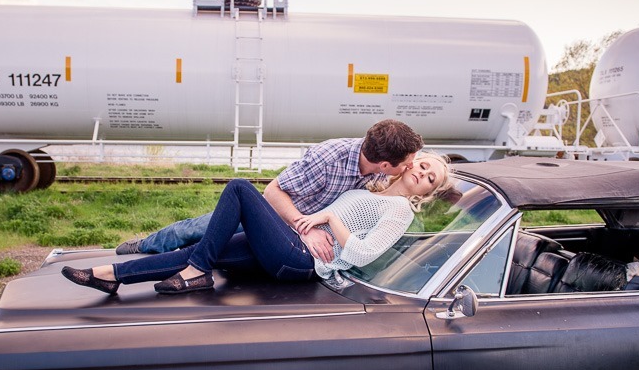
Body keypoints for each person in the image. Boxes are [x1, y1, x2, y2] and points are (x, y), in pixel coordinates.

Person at [62, 151, 452, 295]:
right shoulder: (374, 186)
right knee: (196, 250)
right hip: (295, 245)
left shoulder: (400, 210)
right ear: (410, 161)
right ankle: (112, 275)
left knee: (238, 189)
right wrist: (320, 222)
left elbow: (364, 253)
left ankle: (197, 271)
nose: (424, 174)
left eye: (432, 178)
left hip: (304, 261)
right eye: (424, 165)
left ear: (429, 191)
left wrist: (330, 218)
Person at [115, 119, 423, 262]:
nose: (412, 167)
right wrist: (304, 228)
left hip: (296, 231)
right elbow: (275, 192)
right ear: (384, 164)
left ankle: (174, 261)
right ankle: (145, 246)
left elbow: (423, 175)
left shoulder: (383, 171)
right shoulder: (330, 157)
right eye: (408, 163)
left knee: (219, 249)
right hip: (275, 214)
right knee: (196, 230)